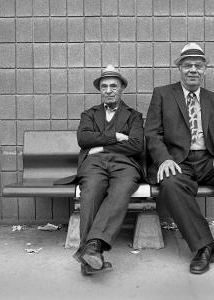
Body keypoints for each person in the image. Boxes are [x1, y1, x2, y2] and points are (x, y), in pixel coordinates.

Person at [144, 43, 214, 274]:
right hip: (177, 161)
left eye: (198, 65)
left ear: (205, 70)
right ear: (179, 69)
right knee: (171, 184)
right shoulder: (162, 94)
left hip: (209, 159)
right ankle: (204, 245)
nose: (193, 69)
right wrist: (163, 159)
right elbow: (152, 133)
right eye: (187, 65)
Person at [72, 65, 144, 275]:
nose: (109, 90)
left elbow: (136, 145)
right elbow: (83, 139)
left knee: (122, 189)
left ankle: (91, 250)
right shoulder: (89, 114)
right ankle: (92, 253)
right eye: (104, 86)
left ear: (122, 89)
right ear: (99, 90)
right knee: (91, 189)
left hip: (125, 163)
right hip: (94, 163)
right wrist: (115, 137)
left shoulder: (134, 116)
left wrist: (100, 145)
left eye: (114, 86)